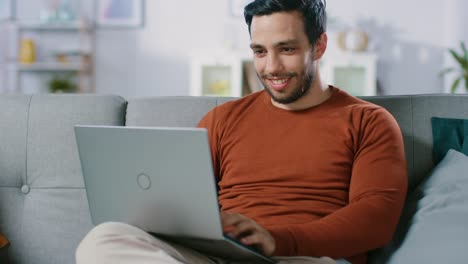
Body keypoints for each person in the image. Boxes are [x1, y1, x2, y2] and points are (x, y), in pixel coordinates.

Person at [76, 0, 407, 263]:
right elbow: (183, 201)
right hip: (219, 254)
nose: (271, 67)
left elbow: (375, 220)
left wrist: (278, 240)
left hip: (304, 257)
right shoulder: (222, 119)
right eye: (259, 51)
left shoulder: (368, 121)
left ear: (319, 46)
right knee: (104, 240)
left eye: (287, 49)